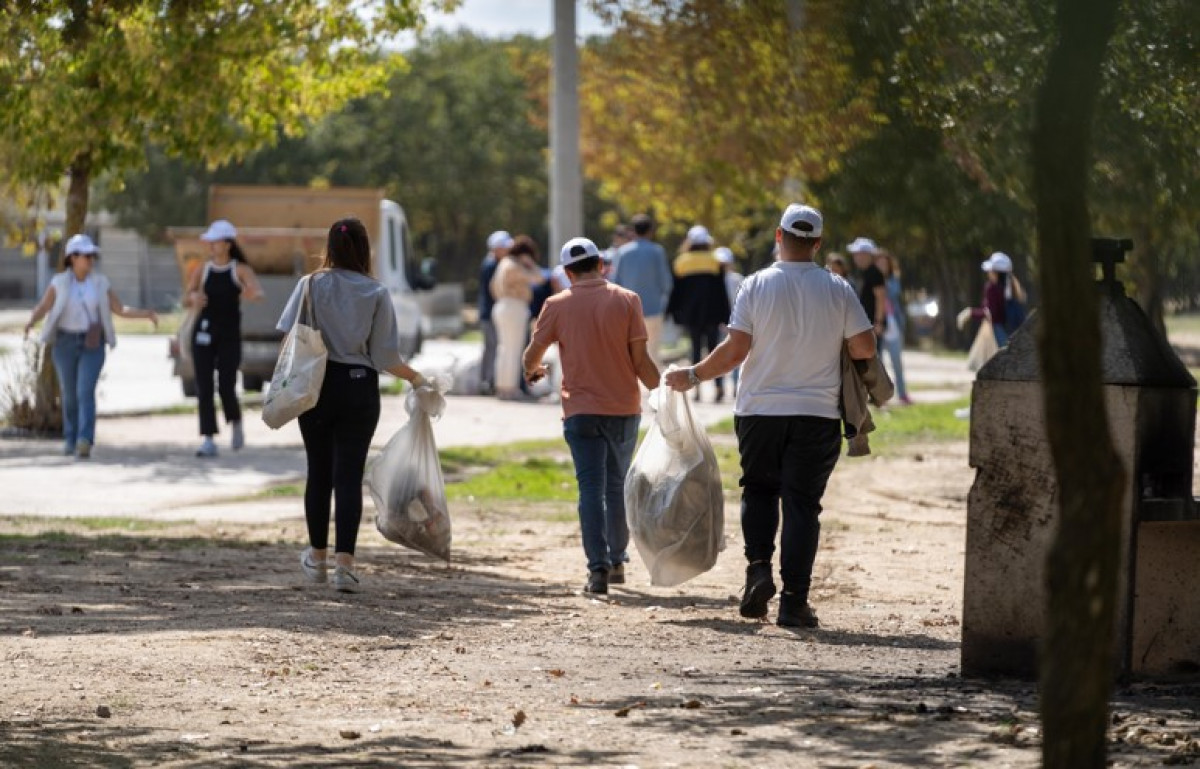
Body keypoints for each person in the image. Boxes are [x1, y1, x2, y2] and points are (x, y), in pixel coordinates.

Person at [664, 205, 876, 628]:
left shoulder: (755, 285)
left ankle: (758, 569)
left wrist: (693, 375)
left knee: (758, 490)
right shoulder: (838, 289)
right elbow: (865, 348)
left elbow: (736, 350)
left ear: (779, 237)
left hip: (759, 410)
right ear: (817, 243)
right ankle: (794, 602)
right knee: (802, 505)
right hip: (817, 413)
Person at [277, 218, 429, 593]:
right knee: (348, 477)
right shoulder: (376, 292)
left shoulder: (309, 285)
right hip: (359, 389)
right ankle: (346, 564)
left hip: (315, 387)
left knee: (319, 473)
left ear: (329, 246)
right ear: (365, 249)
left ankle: (317, 558)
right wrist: (417, 379)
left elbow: (288, 334)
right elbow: (384, 357)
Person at [523, 237, 660, 595]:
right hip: (623, 408)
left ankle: (597, 571)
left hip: (580, 411)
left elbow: (531, 355)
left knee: (590, 488)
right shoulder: (628, 301)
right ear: (601, 264)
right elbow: (641, 362)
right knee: (616, 487)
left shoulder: (556, 305)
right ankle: (616, 560)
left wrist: (534, 372)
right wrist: (664, 389)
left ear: (568, 272)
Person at [24, 234, 158, 458]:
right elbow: (44, 307)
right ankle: (71, 437)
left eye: (92, 255)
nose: (90, 259)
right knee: (69, 394)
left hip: (92, 343)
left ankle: (85, 439)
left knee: (84, 391)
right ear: (72, 258)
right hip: (65, 343)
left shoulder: (100, 282)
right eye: (85, 255)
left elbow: (119, 308)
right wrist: (31, 321)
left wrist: (146, 314)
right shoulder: (59, 282)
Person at [185, 220, 264, 457]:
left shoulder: (239, 269)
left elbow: (259, 292)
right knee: (204, 385)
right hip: (204, 333)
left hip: (229, 335)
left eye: (215, 241)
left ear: (228, 244)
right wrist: (193, 299)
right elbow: (187, 294)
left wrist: (251, 293)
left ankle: (235, 421)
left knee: (227, 385)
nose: (210, 245)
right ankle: (208, 438)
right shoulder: (203, 269)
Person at [667, 225, 731, 402]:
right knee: (714, 351)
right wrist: (726, 315)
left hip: (692, 315)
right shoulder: (715, 261)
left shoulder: (682, 261)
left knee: (695, 350)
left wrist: (673, 312)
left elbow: (676, 292)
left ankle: (695, 390)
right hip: (713, 314)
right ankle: (719, 388)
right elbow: (721, 291)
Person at [490, 234, 547, 400]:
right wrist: (530, 265)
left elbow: (492, 286)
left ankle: (502, 386)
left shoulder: (503, 263)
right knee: (513, 350)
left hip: (501, 305)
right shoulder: (515, 265)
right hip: (514, 306)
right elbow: (539, 278)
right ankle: (510, 388)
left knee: (504, 349)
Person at [612, 213, 673, 367]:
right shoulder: (657, 251)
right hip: (654, 309)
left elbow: (615, 282)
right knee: (653, 352)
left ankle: (635, 390)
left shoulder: (622, 252)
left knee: (630, 353)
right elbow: (666, 283)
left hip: (629, 311)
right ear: (650, 231)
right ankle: (653, 389)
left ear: (633, 230)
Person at [959, 251, 1026, 347]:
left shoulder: (992, 289)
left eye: (991, 271)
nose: (989, 273)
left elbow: (990, 313)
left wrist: (970, 312)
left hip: (997, 335)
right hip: (1014, 334)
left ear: (996, 273)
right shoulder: (1013, 288)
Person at [477, 231, 513, 396]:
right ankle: (487, 382)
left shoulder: (493, 263)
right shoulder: (491, 265)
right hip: (489, 313)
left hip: (491, 312)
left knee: (493, 347)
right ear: (496, 248)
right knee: (492, 347)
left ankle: (488, 381)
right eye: (504, 247)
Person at [875, 251, 911, 405]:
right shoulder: (871, 279)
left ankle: (902, 394)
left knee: (897, 362)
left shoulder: (893, 280)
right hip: (877, 325)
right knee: (879, 363)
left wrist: (881, 281)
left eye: (885, 263)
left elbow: (891, 294)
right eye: (879, 263)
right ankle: (881, 396)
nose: (882, 266)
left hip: (893, 325)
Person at [715, 246, 744, 392]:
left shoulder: (737, 279)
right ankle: (720, 387)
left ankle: (735, 387)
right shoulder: (713, 280)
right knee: (718, 356)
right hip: (721, 323)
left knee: (736, 356)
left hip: (736, 323)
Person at [847, 237, 888, 340]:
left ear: (867, 255)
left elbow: (881, 298)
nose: (856, 257)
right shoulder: (862, 273)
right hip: (864, 324)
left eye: (858, 254)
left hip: (872, 324)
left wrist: (879, 322)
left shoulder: (875, 273)